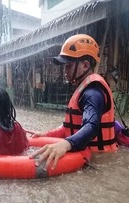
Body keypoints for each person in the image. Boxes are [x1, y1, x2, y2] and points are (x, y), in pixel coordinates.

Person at [30, 34, 118, 170]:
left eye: (69, 66)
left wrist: (65, 144)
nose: (65, 71)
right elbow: (70, 127)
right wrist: (46, 135)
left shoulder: (92, 93)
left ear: (85, 65)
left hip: (99, 162)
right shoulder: (84, 88)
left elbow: (91, 126)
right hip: (89, 156)